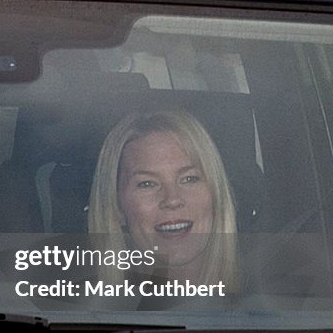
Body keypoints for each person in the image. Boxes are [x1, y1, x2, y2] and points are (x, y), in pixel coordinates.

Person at [88, 109, 239, 290]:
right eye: (147, 184)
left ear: (216, 194)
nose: (172, 199)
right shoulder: (77, 312)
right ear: (116, 206)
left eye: (189, 179)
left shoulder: (269, 305)